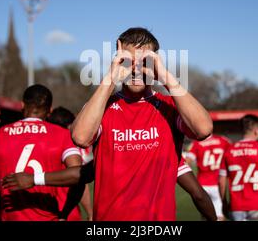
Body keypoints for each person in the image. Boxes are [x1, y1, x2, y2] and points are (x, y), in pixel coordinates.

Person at [71, 27, 213, 220]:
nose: (136, 69)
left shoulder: (169, 106)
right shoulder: (103, 105)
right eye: (128, 61)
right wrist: (110, 79)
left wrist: (165, 76)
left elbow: (203, 129)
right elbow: (80, 137)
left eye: (145, 61)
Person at [1, 155, 217, 221]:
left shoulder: (116, 151)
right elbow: (198, 194)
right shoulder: (170, 155)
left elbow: (81, 174)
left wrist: (35, 179)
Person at [0, 84, 83, 221]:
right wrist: (65, 212)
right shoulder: (63, 134)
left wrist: (6, 213)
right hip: (49, 217)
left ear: (22, 105)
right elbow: (79, 175)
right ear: (50, 110)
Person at [219, 115, 258, 221]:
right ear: (256, 131)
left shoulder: (229, 150)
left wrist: (223, 203)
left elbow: (221, 182)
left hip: (236, 207)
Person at [46, 106, 93, 221]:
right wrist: (90, 213)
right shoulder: (68, 143)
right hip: (66, 212)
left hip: (41, 211)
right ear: (68, 126)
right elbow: (80, 178)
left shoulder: (42, 143)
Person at [186, 134, 231, 220]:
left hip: (202, 186)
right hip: (216, 184)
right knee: (219, 216)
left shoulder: (197, 143)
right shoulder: (223, 140)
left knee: (205, 216)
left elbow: (187, 161)